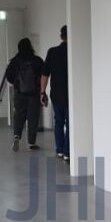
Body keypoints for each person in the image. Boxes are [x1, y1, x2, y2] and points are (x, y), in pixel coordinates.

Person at [4, 38, 44, 152]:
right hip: (34, 93)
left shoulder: (14, 61)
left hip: (19, 92)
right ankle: (32, 143)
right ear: (30, 46)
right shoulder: (37, 60)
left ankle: (17, 136)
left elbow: (9, 76)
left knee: (18, 115)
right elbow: (44, 74)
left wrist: (17, 83)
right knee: (33, 117)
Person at [41, 25, 69, 163]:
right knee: (70, 123)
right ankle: (68, 152)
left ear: (61, 36)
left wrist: (42, 92)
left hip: (57, 94)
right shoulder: (74, 51)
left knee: (58, 122)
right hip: (71, 95)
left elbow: (45, 74)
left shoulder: (52, 52)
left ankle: (59, 150)